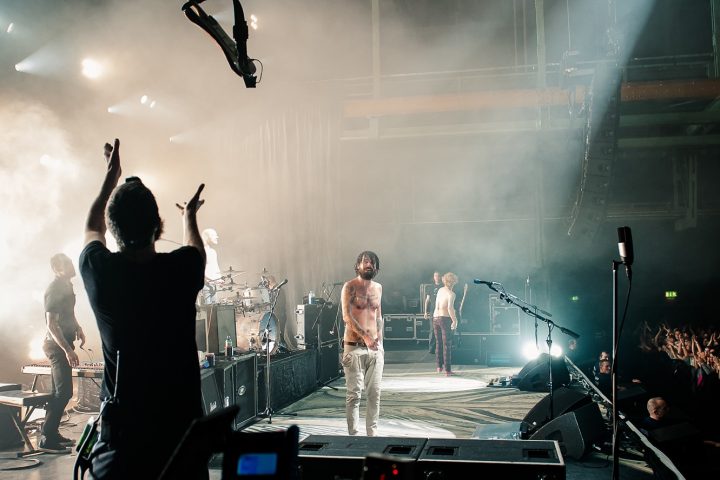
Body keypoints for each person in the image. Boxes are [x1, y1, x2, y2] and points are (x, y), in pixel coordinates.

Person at [79, 138, 207, 479]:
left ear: (114, 228)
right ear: (158, 226)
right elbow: (196, 249)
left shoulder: (100, 272)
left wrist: (111, 177)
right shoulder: (183, 268)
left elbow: (92, 227)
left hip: (125, 449)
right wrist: (189, 216)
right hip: (181, 444)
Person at [40, 253, 87, 452]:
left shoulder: (67, 286)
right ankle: (46, 440)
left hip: (62, 345)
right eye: (66, 264)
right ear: (57, 269)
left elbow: (69, 313)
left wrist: (78, 327)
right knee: (65, 392)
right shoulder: (55, 288)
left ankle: (50, 433)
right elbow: (51, 323)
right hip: (56, 347)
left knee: (58, 393)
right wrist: (67, 350)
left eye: (70, 262)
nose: (71, 266)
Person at [341, 251, 384, 436]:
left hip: (375, 349)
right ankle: (354, 437)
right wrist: (365, 336)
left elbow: (379, 315)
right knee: (354, 395)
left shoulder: (378, 288)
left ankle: (372, 436)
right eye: (365, 261)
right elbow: (347, 317)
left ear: (376, 268)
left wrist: (380, 339)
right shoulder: (349, 286)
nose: (369, 264)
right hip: (354, 347)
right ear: (358, 265)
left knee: (374, 394)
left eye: (372, 262)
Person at [433, 272, 459, 376]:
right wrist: (455, 320)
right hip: (444, 319)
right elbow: (450, 308)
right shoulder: (451, 294)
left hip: (435, 317)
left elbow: (436, 305)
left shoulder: (440, 290)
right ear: (453, 282)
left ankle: (439, 367)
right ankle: (448, 370)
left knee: (438, 343)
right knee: (446, 344)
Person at [201, 228, 222, 304]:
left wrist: (219, 279)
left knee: (215, 308)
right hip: (206, 286)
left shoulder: (213, 252)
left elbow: (216, 266)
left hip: (214, 284)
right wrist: (211, 279)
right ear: (207, 237)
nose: (217, 237)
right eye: (213, 235)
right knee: (208, 310)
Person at [423, 271, 442, 354]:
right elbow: (427, 300)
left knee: (441, 330)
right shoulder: (430, 287)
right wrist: (425, 312)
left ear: (440, 277)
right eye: (435, 276)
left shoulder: (443, 287)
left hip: (442, 311)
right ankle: (431, 349)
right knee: (432, 330)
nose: (436, 277)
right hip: (433, 311)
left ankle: (440, 348)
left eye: (438, 276)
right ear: (433, 277)